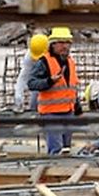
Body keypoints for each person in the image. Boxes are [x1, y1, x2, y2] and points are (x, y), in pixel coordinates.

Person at [28, 26, 80, 154]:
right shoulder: (44, 62)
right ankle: (53, 170)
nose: (65, 46)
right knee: (56, 149)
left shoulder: (70, 62)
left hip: (68, 112)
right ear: (53, 44)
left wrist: (77, 105)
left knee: (66, 148)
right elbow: (31, 83)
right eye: (61, 42)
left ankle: (64, 172)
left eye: (68, 43)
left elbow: (72, 86)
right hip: (51, 113)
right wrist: (49, 81)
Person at [14, 32, 50, 112]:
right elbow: (23, 77)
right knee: (35, 95)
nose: (37, 60)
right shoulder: (29, 57)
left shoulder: (56, 54)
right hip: (39, 80)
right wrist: (18, 96)